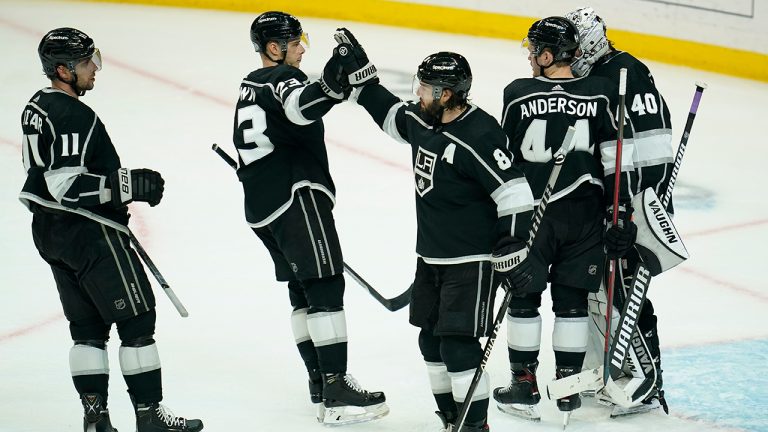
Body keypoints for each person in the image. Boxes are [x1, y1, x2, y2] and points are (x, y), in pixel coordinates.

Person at [326, 29, 536, 431]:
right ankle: (452, 419)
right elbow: (391, 115)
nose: (417, 94)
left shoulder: (480, 133)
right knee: (430, 341)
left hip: (471, 261)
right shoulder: (425, 122)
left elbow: (515, 193)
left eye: (423, 88)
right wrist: (363, 78)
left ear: (444, 93)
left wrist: (512, 249)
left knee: (458, 347)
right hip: (431, 257)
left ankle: (475, 427)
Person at [19, 28, 203, 432]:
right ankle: (150, 417)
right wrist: (126, 186)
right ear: (64, 70)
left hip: (51, 233)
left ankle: (95, 421)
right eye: (87, 63)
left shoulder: (37, 105)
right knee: (138, 319)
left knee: (87, 329)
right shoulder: (72, 114)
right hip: (90, 233)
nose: (95, 69)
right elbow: (64, 185)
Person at [230, 11, 387, 426]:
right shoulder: (286, 79)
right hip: (296, 195)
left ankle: (319, 383)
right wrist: (333, 83)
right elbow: (300, 109)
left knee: (303, 291)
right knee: (325, 283)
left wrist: (332, 87)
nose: (302, 48)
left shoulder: (250, 85)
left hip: (264, 207)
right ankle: (336, 386)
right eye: (295, 42)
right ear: (273, 48)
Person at [492, 16, 637, 422]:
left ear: (548, 53)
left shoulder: (518, 93)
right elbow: (615, 161)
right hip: (587, 215)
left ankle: (524, 384)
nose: (528, 54)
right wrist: (620, 216)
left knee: (524, 296)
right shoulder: (603, 93)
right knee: (571, 300)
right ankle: (569, 388)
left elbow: (506, 159)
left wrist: (500, 222)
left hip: (534, 211)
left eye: (533, 48)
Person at [565, 6, 673, 412]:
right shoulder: (594, 75)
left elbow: (653, 148)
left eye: (574, 47)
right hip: (608, 205)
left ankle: (648, 379)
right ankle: (615, 368)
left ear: (590, 42)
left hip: (634, 208)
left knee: (626, 290)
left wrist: (632, 213)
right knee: (602, 289)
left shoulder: (627, 73)